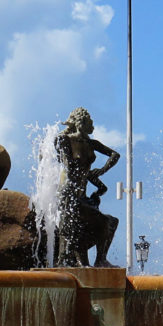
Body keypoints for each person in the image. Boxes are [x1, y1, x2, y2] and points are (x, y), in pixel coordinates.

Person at [55, 107, 120, 268]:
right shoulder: (65, 140)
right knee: (96, 221)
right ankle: (72, 259)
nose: (92, 127)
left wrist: (101, 171)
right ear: (79, 123)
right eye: (89, 123)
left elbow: (115, 155)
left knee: (111, 222)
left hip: (82, 196)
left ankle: (101, 259)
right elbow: (67, 165)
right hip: (69, 194)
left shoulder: (92, 143)